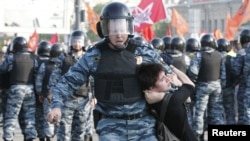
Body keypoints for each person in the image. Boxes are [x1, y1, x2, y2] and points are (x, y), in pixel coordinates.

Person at [47, 2, 172, 141]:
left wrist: (163, 97)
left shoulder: (144, 52)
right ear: (104, 29)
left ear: (129, 27)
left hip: (144, 125)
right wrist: (56, 106)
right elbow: (67, 83)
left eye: (122, 28)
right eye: (113, 29)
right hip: (110, 126)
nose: (119, 35)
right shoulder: (94, 56)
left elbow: (170, 78)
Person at [48, 30, 95, 141]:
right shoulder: (64, 58)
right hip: (67, 100)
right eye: (74, 41)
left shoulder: (87, 58)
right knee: (63, 132)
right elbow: (55, 75)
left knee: (79, 133)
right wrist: (51, 91)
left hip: (83, 100)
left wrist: (94, 95)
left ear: (83, 43)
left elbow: (93, 78)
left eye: (79, 41)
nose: (76, 43)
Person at [136, 63, 197, 141]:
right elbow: (190, 85)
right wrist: (173, 68)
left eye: (165, 75)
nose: (168, 79)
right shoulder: (172, 101)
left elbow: (187, 99)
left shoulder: (150, 100)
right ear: (151, 87)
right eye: (162, 79)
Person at [187, 34, 225, 140]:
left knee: (200, 112)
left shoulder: (199, 55)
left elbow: (193, 72)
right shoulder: (219, 55)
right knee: (216, 111)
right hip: (217, 86)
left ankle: (198, 135)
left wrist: (195, 82)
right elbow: (223, 74)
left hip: (203, 86)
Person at [0, 36, 38, 141]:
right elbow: (37, 74)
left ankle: (8, 137)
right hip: (30, 89)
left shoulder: (12, 57)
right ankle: (30, 136)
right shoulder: (33, 58)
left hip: (16, 89)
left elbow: (3, 70)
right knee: (29, 115)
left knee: (11, 115)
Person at [35, 43, 65, 141]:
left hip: (48, 96)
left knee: (48, 117)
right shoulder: (65, 65)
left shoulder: (45, 65)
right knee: (61, 118)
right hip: (61, 96)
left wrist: (40, 94)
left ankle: (48, 137)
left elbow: (39, 81)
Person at [217, 38, 237, 125]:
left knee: (217, 112)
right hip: (229, 88)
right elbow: (236, 72)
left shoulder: (215, 58)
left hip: (217, 89)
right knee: (230, 112)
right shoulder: (232, 58)